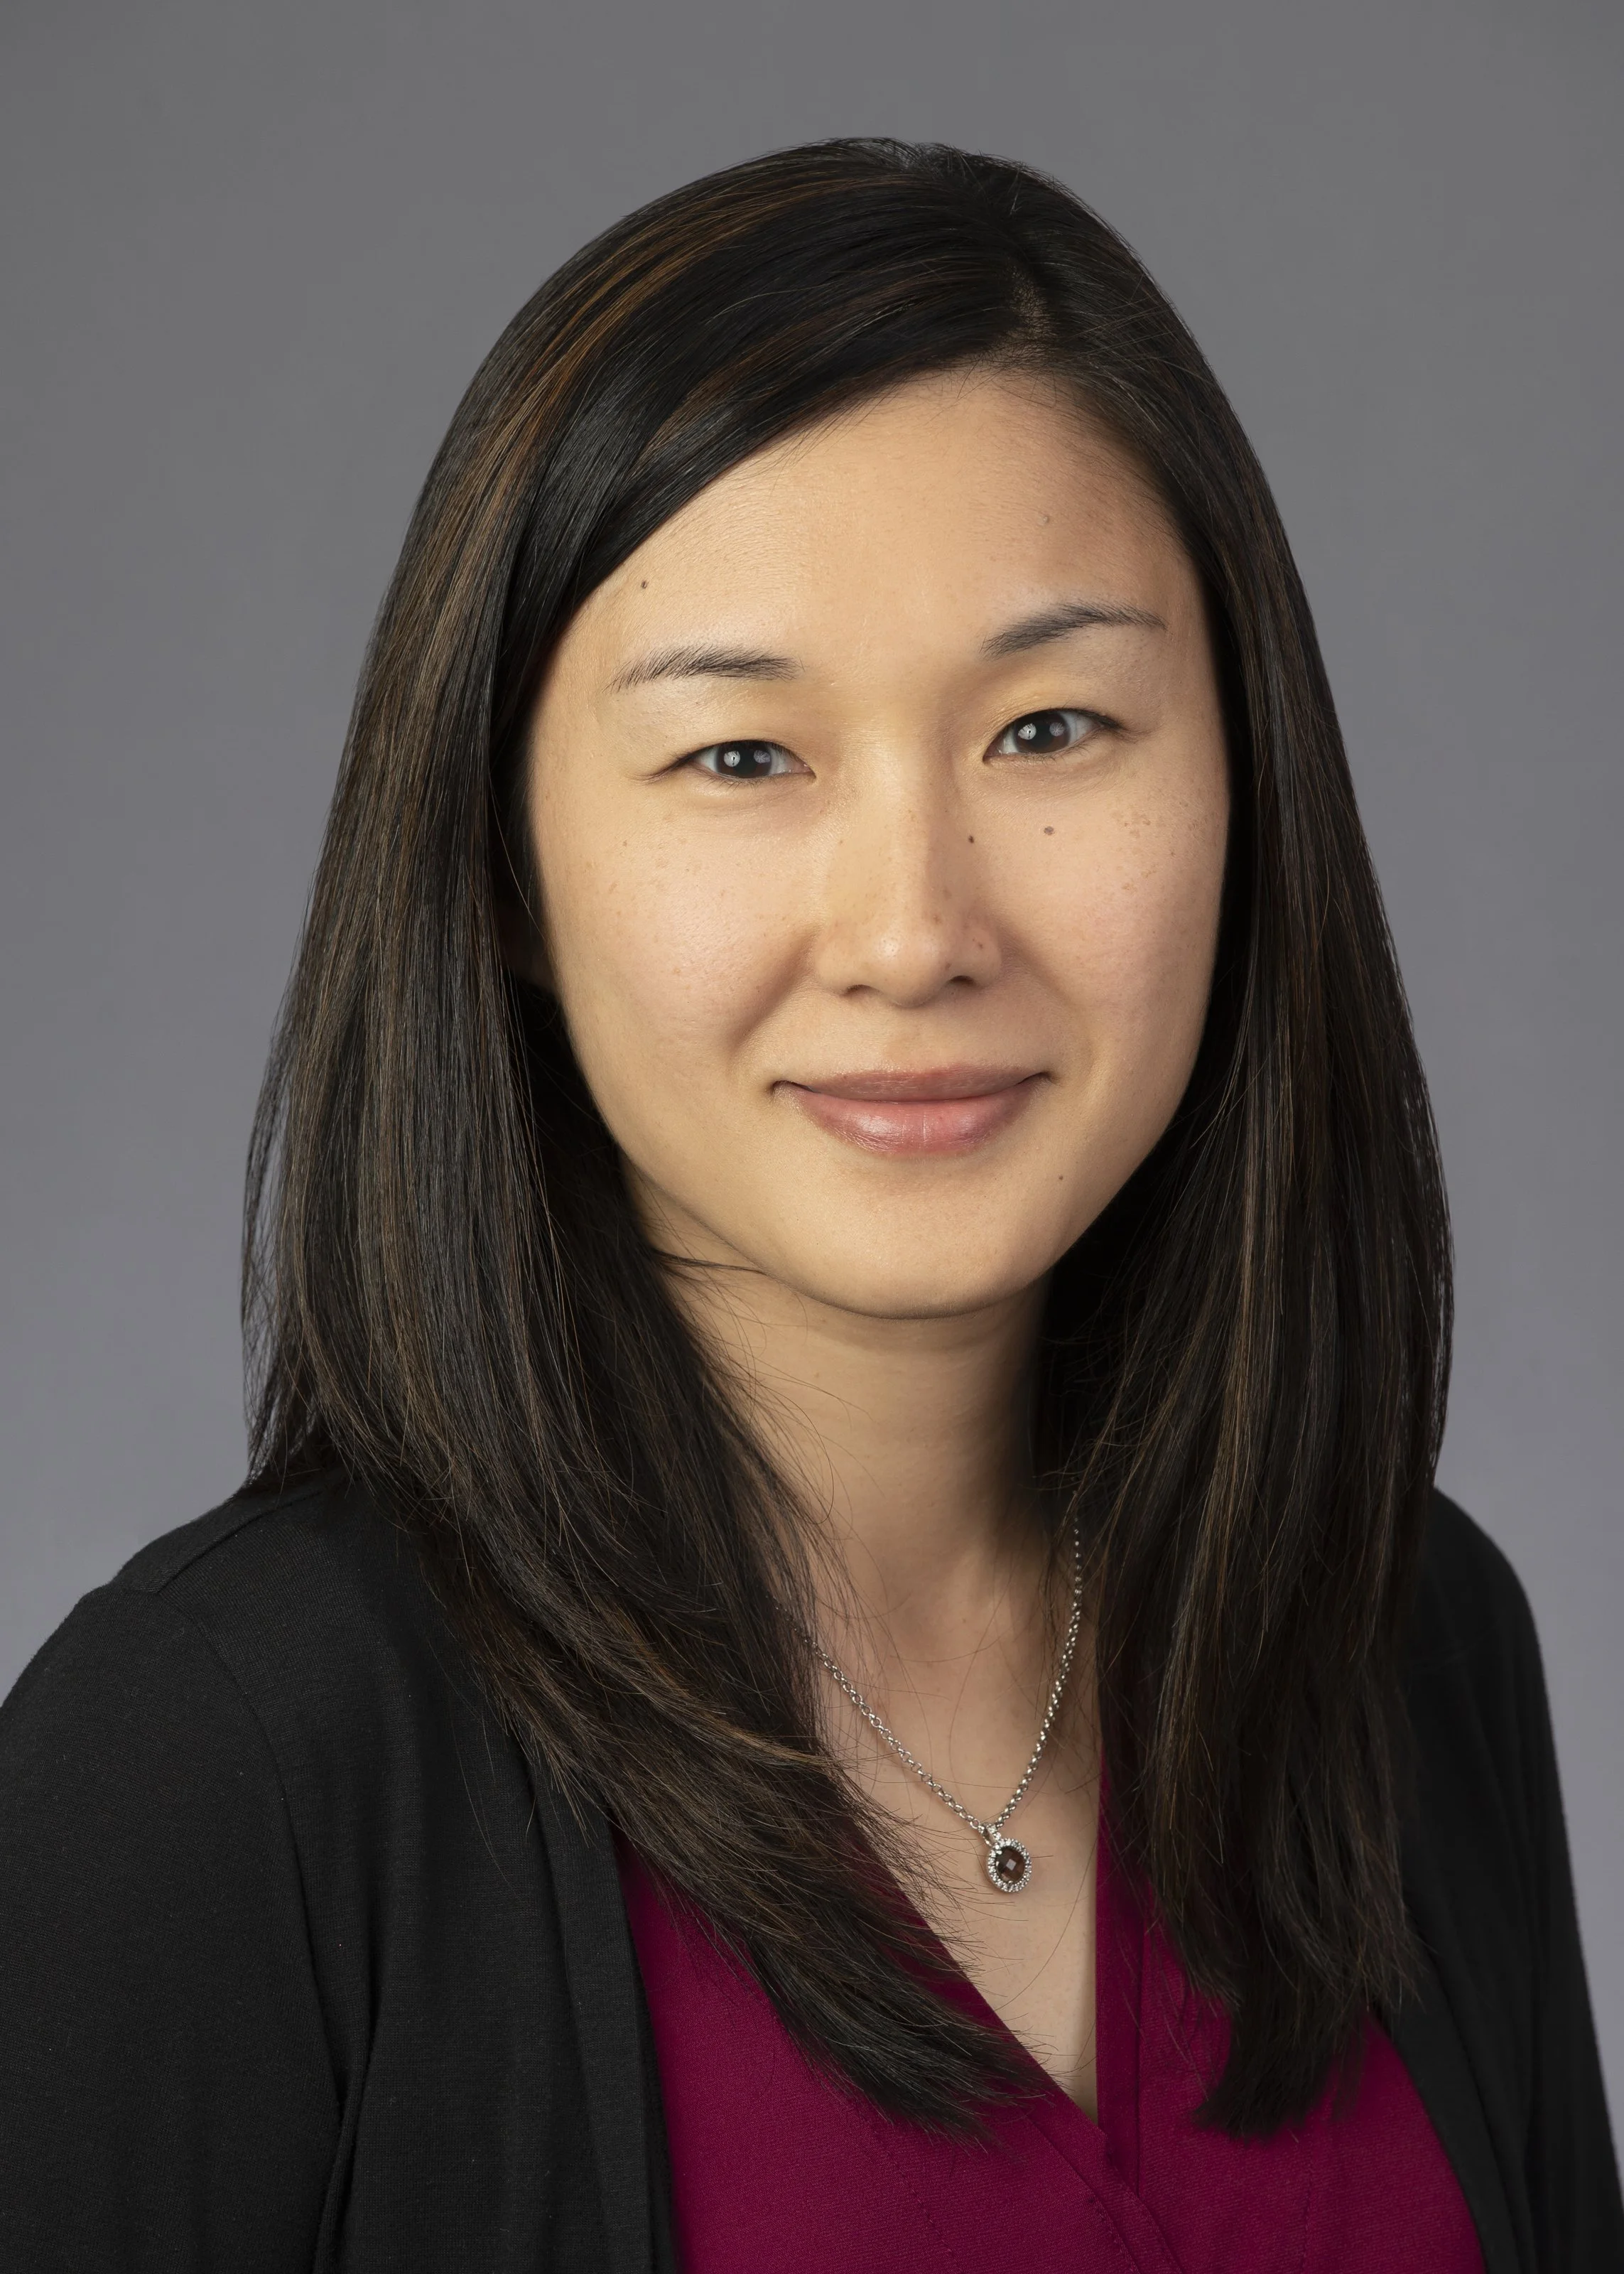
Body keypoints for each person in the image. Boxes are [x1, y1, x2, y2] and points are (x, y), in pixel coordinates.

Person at [0, 139, 1617, 2274]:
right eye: (743, 758)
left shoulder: (1401, 1640)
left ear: (1250, 792)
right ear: (503, 874)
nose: (915, 932)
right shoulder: (204, 1769)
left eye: (1051, 727)